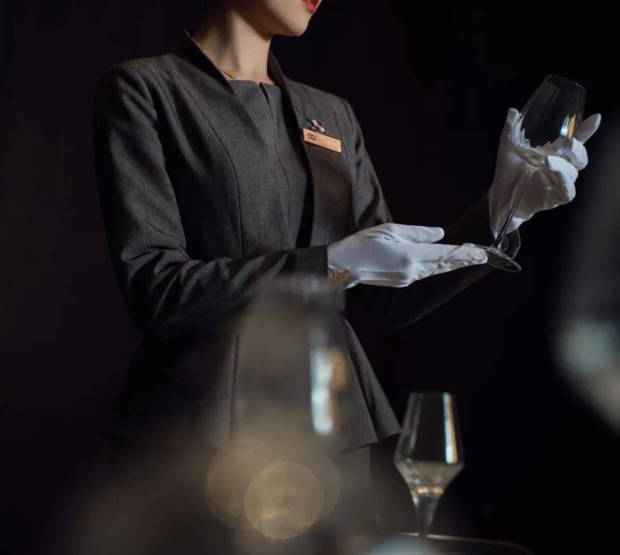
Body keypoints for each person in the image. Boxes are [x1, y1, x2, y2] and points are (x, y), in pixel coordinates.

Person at [91, 0, 600, 550]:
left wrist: (503, 210)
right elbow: (157, 288)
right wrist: (328, 265)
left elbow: (388, 295)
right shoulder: (146, 90)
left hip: (334, 431)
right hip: (198, 433)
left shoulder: (330, 114)